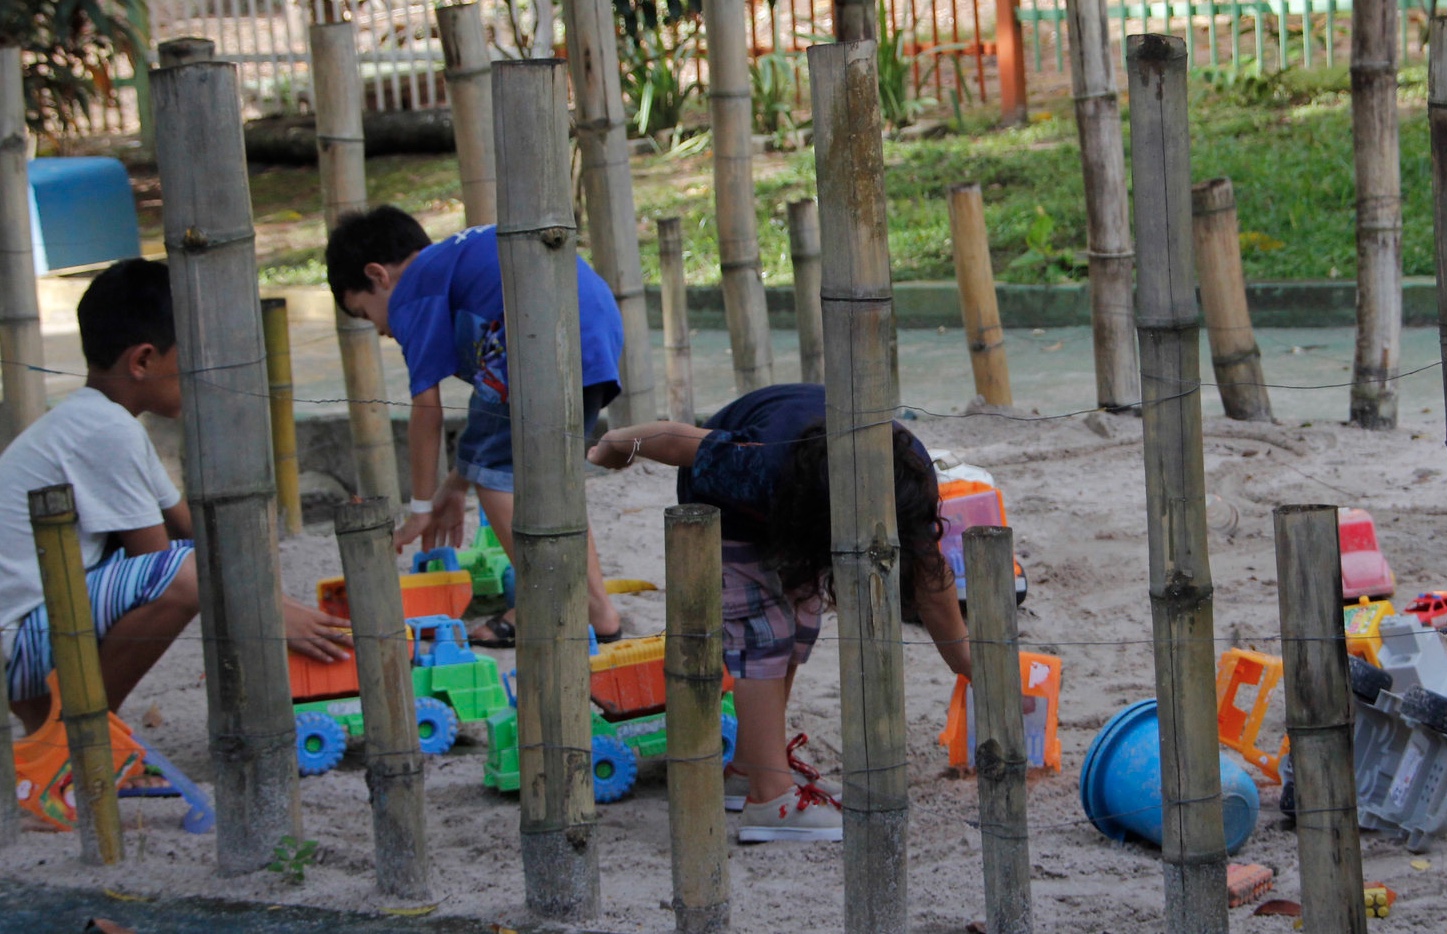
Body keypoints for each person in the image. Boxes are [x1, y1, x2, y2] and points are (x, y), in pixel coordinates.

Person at [588, 384, 972, 843]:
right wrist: (615, 445)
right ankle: (771, 799)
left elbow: (931, 575)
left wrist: (969, 665)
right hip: (727, 505)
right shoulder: (757, 465)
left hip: (803, 500)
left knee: (800, 622)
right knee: (763, 635)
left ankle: (751, 767)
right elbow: (673, 438)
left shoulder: (908, 477)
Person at [2, 259, 351, 736]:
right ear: (143, 361)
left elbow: (190, 528)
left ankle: (56, 731)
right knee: (184, 576)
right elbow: (160, 565)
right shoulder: (105, 430)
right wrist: (267, 614)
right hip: (18, 637)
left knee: (194, 565)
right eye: (189, 358)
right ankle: (80, 737)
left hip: (29, 625)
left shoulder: (102, 417)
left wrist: (274, 600)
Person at [326, 206, 627, 645]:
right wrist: (458, 481)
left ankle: (563, 603)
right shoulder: (450, 262)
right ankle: (597, 610)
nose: (382, 331)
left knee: (501, 483)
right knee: (547, 482)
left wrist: (421, 509)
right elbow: (488, 418)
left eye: (368, 315)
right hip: (590, 331)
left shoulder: (412, 290)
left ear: (378, 275)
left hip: (536, 344)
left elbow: (426, 411)